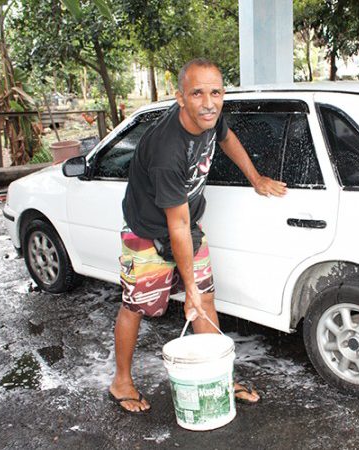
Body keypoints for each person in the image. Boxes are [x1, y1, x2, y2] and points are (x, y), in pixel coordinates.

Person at [109, 58, 288, 413]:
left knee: (205, 302)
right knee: (136, 307)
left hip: (186, 225)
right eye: (198, 94)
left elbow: (228, 139)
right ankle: (121, 382)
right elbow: (173, 226)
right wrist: (187, 286)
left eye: (216, 92)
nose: (209, 102)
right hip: (147, 231)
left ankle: (219, 376)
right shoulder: (166, 149)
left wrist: (256, 178)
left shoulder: (210, 117)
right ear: (180, 98)